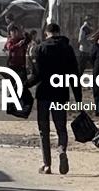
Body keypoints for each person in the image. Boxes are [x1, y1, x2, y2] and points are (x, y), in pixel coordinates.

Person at [26, 23, 83, 175]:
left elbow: (36, 75)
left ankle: (47, 165)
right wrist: (78, 100)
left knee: (43, 130)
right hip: (60, 94)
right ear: (59, 32)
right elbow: (74, 76)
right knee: (61, 128)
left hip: (44, 94)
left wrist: (24, 86)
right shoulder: (67, 49)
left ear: (46, 33)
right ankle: (62, 150)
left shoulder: (40, 48)